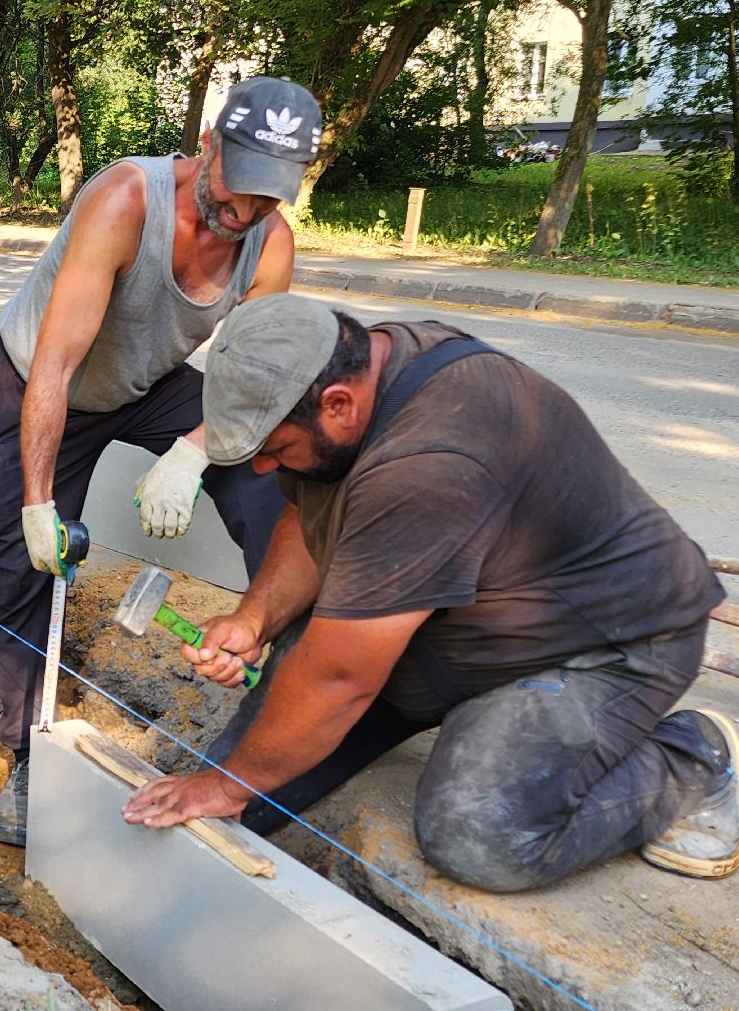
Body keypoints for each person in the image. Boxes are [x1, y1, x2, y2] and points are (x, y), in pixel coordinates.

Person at [120, 294, 733, 890]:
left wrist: (227, 785)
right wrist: (254, 618)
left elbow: (337, 679)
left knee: (480, 836)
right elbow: (306, 521)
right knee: (246, 799)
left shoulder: (435, 454)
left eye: (275, 450)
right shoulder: (352, 369)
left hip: (598, 646)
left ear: (337, 405)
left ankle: (696, 754)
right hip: (453, 624)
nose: (262, 469)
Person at [0, 77, 325, 846]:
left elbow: (255, 381)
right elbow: (57, 369)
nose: (248, 211)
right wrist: (39, 505)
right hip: (38, 378)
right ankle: (28, 750)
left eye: (270, 195)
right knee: (23, 565)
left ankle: (296, 653)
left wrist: (196, 450)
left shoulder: (270, 243)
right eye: (240, 184)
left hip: (146, 380)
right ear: (208, 145)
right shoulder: (127, 201)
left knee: (272, 462)